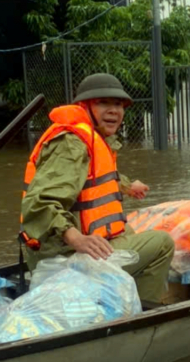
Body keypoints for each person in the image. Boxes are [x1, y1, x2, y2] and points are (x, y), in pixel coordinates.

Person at [20, 73, 174, 303]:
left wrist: (128, 186)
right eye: (103, 103)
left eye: (118, 104)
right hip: (64, 256)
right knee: (163, 243)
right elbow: (38, 202)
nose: (114, 110)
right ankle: (141, 313)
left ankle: (120, 298)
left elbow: (92, 177)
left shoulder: (90, 139)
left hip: (68, 249)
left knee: (129, 231)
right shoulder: (72, 144)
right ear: (84, 106)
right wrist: (76, 238)